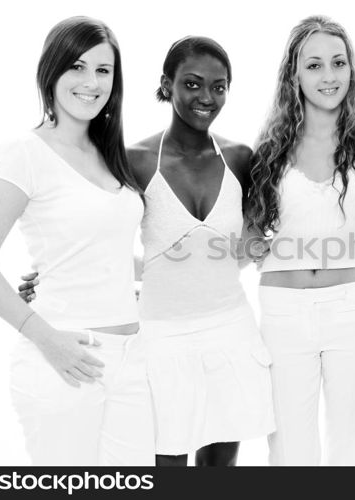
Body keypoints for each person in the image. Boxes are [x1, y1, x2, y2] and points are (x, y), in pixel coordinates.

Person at [0, 16, 154, 465]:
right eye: (77, 67)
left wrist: (207, 262)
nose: (91, 82)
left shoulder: (110, 159)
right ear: (51, 73)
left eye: (103, 70)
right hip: (64, 358)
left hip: (132, 357)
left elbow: (105, 254)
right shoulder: (23, 153)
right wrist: (47, 339)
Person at [247, 15, 355, 465]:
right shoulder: (271, 145)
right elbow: (249, 229)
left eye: (338, 63)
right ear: (294, 73)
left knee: (350, 445)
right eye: (314, 65)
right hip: (284, 313)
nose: (328, 76)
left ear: (352, 70)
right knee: (289, 448)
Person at [131, 36, 275, 467]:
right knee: (167, 466)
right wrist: (61, 275)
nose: (206, 97)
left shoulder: (239, 158)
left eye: (219, 86)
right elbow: (102, 239)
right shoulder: (134, 160)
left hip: (229, 330)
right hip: (162, 338)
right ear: (167, 83)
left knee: (219, 471)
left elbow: (245, 245)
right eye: (193, 84)